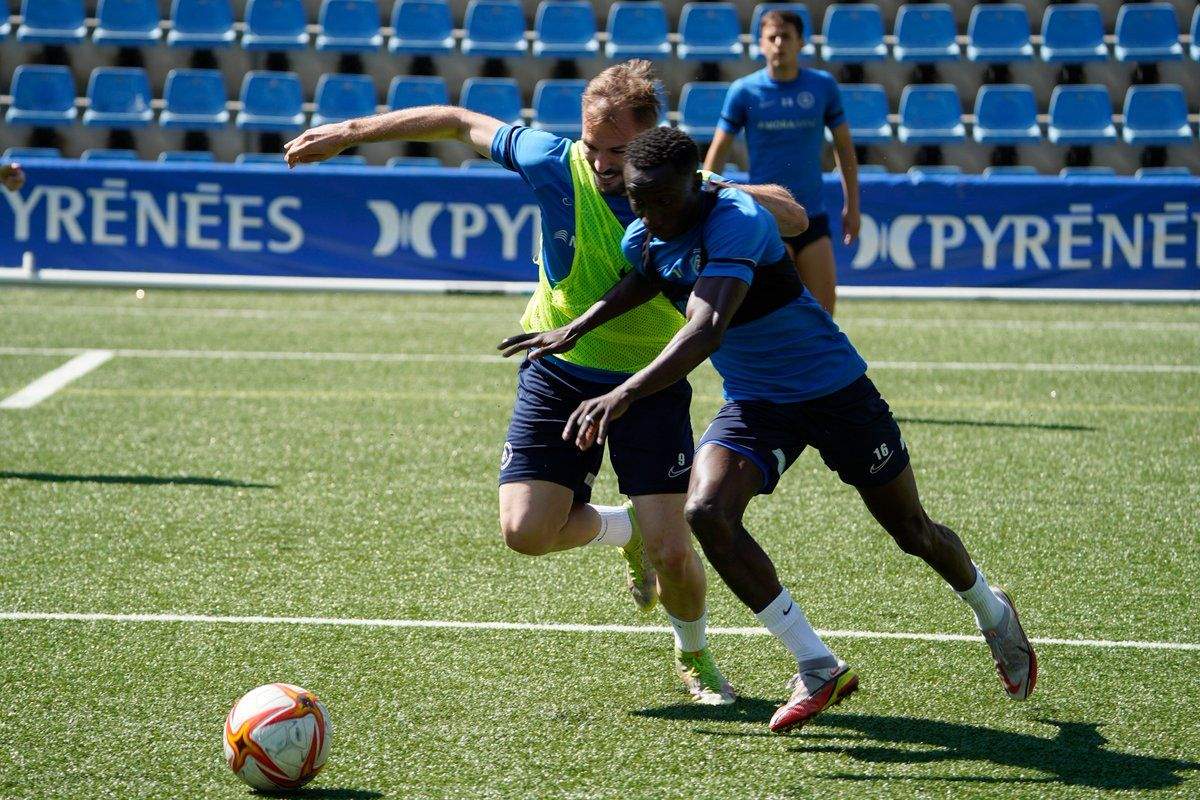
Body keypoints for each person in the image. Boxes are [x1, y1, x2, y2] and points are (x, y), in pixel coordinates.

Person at [283, 61, 809, 705]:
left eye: (618, 151)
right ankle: (624, 529)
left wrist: (714, 187)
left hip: (649, 382)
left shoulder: (689, 192)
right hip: (558, 368)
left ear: (650, 141)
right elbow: (456, 120)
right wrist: (349, 133)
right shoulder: (554, 162)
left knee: (677, 554)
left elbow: (794, 216)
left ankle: (694, 654)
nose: (602, 163)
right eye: (593, 146)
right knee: (526, 533)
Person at [507, 127, 1036, 735]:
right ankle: (817, 664)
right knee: (706, 513)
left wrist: (623, 392)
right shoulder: (647, 229)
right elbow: (648, 276)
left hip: (835, 393)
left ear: (696, 184)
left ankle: (991, 612)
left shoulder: (736, 218)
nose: (647, 215)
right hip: (757, 403)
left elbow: (706, 327)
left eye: (659, 201)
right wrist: (574, 327)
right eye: (636, 201)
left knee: (911, 532)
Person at [702, 10, 859, 315]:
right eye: (771, 37)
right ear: (760, 44)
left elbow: (844, 147)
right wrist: (706, 202)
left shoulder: (822, 87)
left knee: (825, 317)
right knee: (776, 315)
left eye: (785, 36)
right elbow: (718, 153)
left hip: (814, 218)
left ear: (801, 43)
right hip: (767, 218)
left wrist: (852, 205)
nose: (778, 43)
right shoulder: (744, 91)